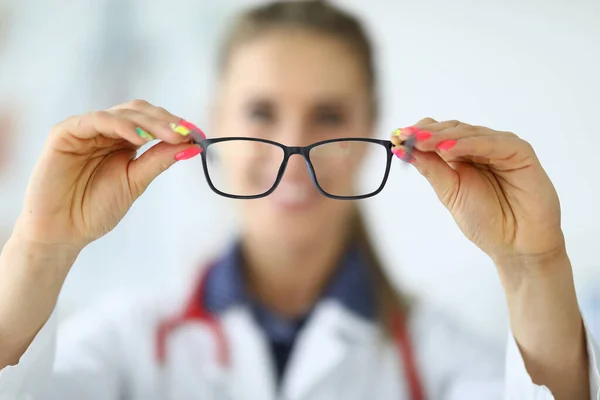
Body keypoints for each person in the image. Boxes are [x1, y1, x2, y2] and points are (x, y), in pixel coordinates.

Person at [0, 1, 598, 399]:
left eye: (330, 116)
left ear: (373, 132)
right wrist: (39, 246)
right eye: (261, 111)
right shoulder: (127, 339)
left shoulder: (437, 353)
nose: (293, 147)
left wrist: (532, 265)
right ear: (212, 128)